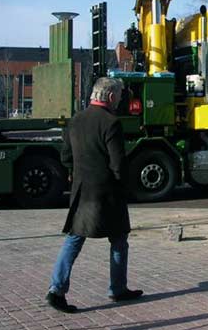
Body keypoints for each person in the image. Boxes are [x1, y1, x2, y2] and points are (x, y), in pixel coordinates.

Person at [46, 77, 143, 313]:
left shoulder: (75, 121)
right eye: (119, 96)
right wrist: (125, 186)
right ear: (110, 97)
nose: (120, 101)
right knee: (119, 239)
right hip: (108, 193)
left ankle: (56, 290)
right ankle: (118, 289)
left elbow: (66, 157)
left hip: (82, 193)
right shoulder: (111, 123)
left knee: (74, 238)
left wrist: (75, 172)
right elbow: (118, 164)